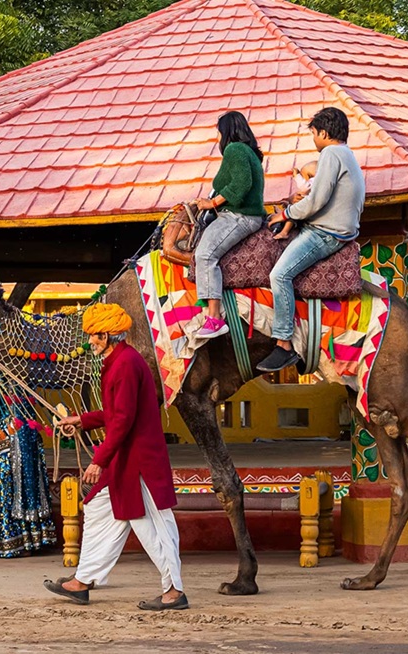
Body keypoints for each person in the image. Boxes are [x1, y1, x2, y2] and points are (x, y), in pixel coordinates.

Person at [44, 303, 187, 611]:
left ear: (107, 335)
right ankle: (83, 581)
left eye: (94, 336)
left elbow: (121, 420)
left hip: (139, 463)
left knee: (153, 525)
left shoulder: (123, 365)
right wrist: (81, 420)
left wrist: (99, 461)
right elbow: (115, 413)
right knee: (98, 509)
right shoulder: (119, 361)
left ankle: (174, 592)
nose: (90, 342)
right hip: (126, 459)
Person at [259, 107, 365, 372]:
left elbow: (317, 200)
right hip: (336, 228)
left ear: (324, 133)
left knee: (279, 275)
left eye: (314, 134)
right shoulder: (347, 155)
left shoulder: (331, 153)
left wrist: (286, 213)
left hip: (325, 233)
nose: (314, 140)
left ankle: (284, 344)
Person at [192, 111, 267, 340]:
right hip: (245, 216)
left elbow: (242, 184)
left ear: (226, 132)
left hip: (238, 216)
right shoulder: (250, 153)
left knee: (204, 255)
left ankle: (214, 318)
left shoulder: (234, 149)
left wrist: (212, 202)